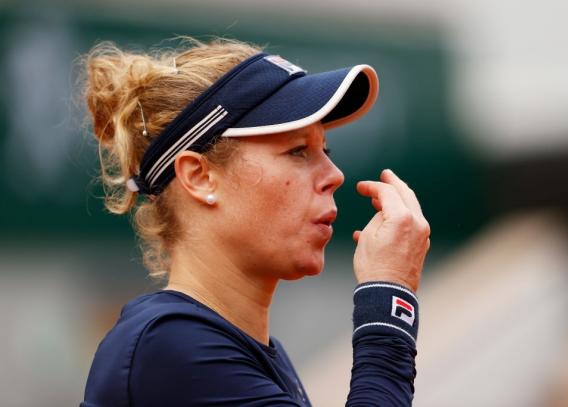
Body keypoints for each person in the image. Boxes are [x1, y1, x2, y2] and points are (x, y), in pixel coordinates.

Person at [79, 37, 430, 407]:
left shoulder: (225, 345)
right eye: (297, 150)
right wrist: (389, 300)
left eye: (324, 150)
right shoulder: (170, 343)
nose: (334, 174)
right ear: (199, 177)